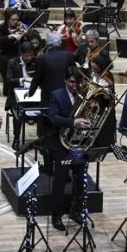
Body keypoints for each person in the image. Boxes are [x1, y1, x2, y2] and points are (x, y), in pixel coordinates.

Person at [47, 70, 91, 231]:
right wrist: (73, 122)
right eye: (71, 82)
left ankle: (76, 210)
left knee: (80, 179)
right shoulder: (56, 95)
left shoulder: (83, 96)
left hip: (78, 145)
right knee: (61, 179)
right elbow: (53, 117)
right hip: (60, 144)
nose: (74, 86)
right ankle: (56, 215)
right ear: (65, 80)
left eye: (76, 83)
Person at [26, 32, 76, 108]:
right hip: (65, 95)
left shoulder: (42, 58)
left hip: (48, 96)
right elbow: (75, 74)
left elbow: (37, 78)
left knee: (47, 116)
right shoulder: (69, 56)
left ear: (47, 43)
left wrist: (30, 93)